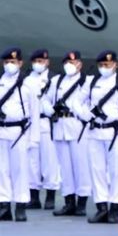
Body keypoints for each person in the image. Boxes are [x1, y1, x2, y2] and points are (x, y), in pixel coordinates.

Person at [78, 50, 118, 224]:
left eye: (107, 65)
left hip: (116, 132)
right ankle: (101, 207)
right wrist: (87, 115)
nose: (103, 68)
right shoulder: (92, 82)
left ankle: (115, 208)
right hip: (95, 131)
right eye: (101, 65)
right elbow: (78, 102)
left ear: (115, 64)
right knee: (97, 170)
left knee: (117, 171)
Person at [44, 50, 92, 217]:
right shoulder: (56, 81)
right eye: (67, 63)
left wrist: (77, 110)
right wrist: (51, 110)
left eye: (74, 62)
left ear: (80, 64)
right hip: (60, 126)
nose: (70, 66)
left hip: (78, 127)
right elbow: (45, 100)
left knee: (81, 167)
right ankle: (69, 202)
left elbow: (91, 103)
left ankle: (82, 203)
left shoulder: (86, 81)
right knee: (65, 168)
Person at [0, 47, 39, 221]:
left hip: (20, 131)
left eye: (13, 62)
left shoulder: (28, 83)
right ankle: (4, 204)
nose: (9, 65)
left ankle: (21, 205)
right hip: (2, 129)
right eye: (7, 62)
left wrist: (34, 138)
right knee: (2, 170)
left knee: (20, 169)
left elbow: (35, 112)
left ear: (20, 63)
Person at [24, 48, 60, 210]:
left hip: (47, 124)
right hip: (31, 123)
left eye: (42, 61)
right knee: (32, 161)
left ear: (47, 62)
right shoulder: (26, 79)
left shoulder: (54, 78)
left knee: (49, 161)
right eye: (36, 61)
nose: (39, 64)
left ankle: (50, 196)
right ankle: (34, 196)